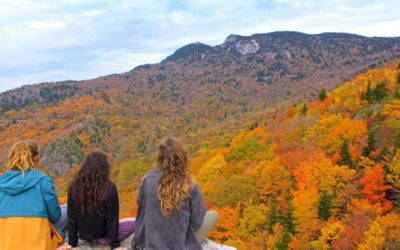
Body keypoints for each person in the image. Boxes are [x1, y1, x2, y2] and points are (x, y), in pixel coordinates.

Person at [132, 137, 219, 250]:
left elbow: (141, 217)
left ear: (160, 157)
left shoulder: (147, 180)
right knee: (213, 215)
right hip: (180, 245)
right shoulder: (190, 183)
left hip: (152, 246)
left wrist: (135, 245)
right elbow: (197, 221)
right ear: (182, 156)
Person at [0, 140, 69, 250]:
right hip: (38, 244)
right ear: (35, 158)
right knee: (68, 208)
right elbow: (55, 216)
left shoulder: (1, 182)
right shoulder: (43, 181)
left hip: (6, 245)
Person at [67, 151, 132, 250]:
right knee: (134, 222)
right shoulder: (109, 188)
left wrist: (72, 243)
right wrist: (115, 245)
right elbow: (112, 219)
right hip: (104, 236)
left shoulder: (74, 188)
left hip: (84, 236)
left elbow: (72, 218)